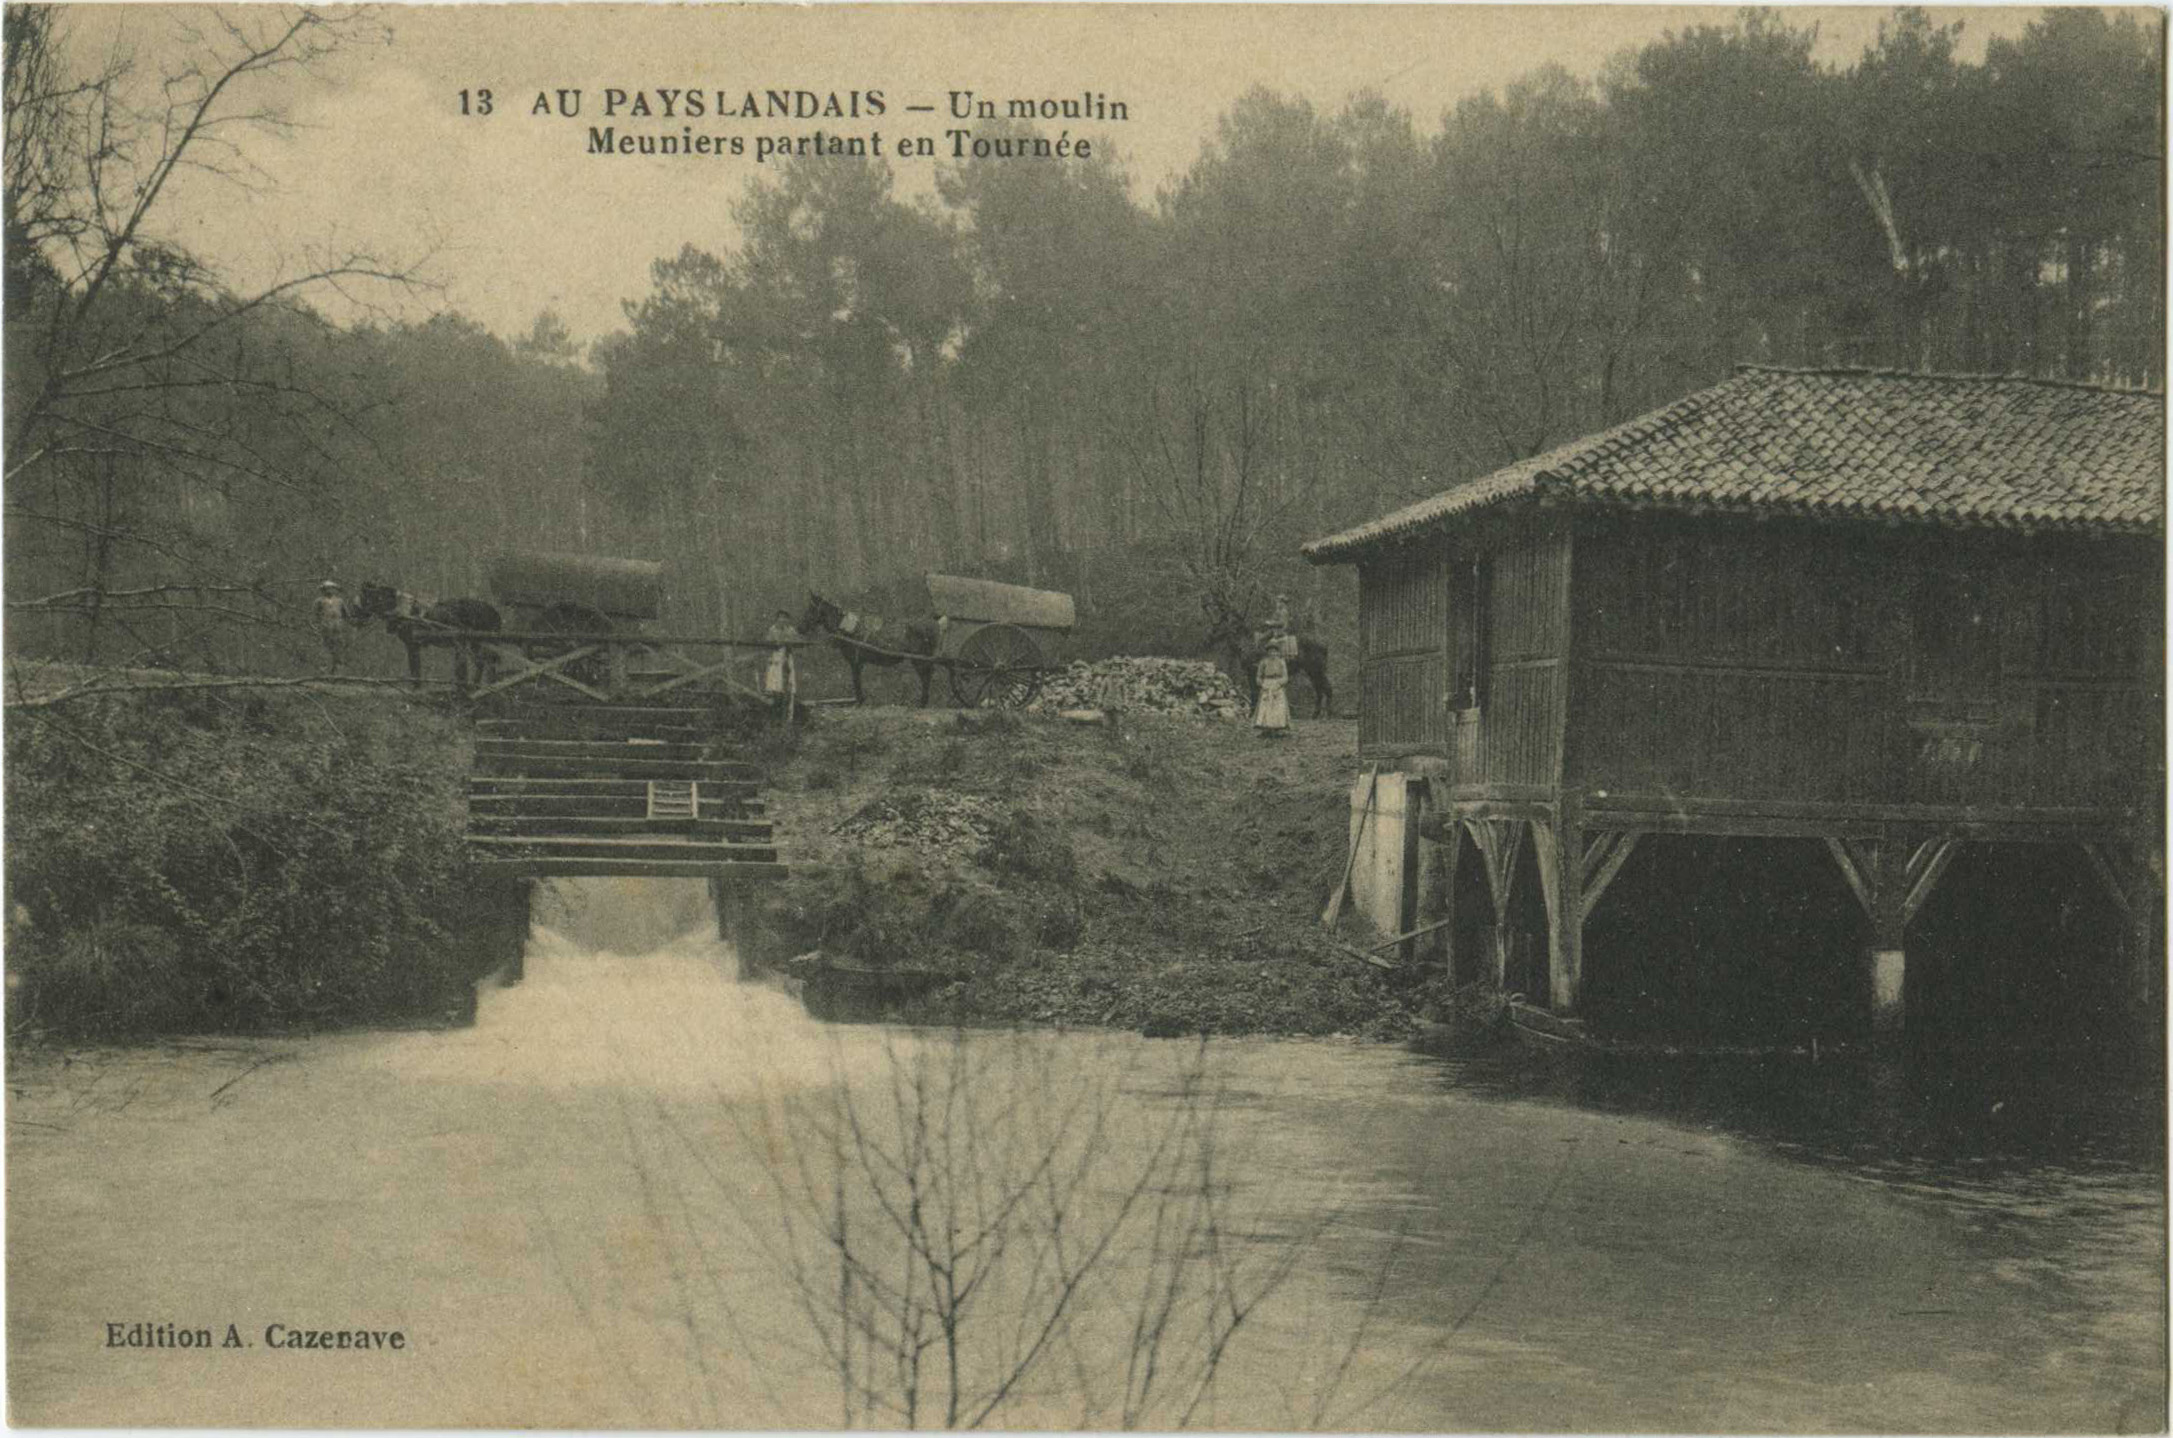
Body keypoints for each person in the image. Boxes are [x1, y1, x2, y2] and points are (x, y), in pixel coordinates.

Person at [1254, 622, 1297, 738]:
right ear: (1267, 652)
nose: (1273, 653)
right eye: (1270, 651)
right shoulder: (1263, 662)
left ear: (1278, 652)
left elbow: (1285, 676)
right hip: (1267, 684)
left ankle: (1279, 728)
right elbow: (1258, 676)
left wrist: (1280, 683)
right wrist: (1261, 683)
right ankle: (1266, 728)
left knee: (1278, 706)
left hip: (1277, 685)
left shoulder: (1281, 662)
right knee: (1266, 706)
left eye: (1275, 651)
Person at [762, 609, 800, 719]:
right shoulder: (772, 629)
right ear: (777, 619)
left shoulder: (791, 630)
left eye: (785, 618)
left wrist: (790, 642)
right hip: (776, 657)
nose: (782, 620)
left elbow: (797, 641)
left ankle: (788, 712)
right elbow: (768, 643)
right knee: (774, 684)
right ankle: (775, 711)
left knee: (789, 684)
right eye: (780, 618)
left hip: (788, 657)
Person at [313, 580, 355, 672]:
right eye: (327, 588)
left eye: (331, 588)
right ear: (323, 590)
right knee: (324, 648)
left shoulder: (340, 601)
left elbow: (347, 615)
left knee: (338, 648)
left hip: (338, 627)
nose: (329, 590)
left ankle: (337, 670)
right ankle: (323, 669)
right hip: (325, 627)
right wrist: (316, 627)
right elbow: (315, 616)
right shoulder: (319, 601)